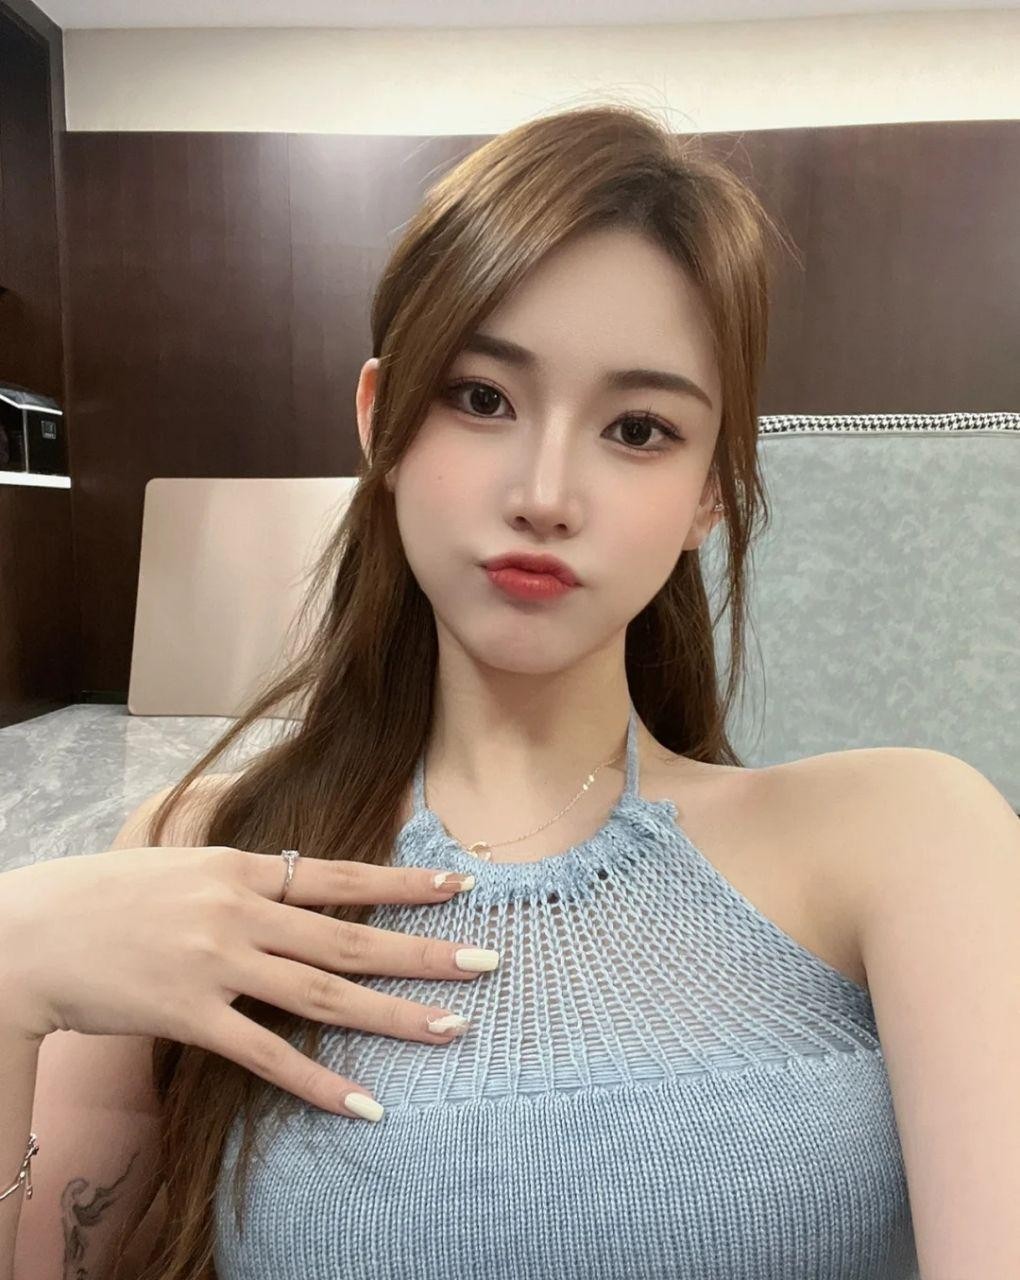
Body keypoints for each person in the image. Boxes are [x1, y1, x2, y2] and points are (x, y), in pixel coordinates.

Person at [0, 100, 926, 1280]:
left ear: (710, 492)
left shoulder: (899, 837)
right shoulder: (195, 851)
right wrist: (10, 967)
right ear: (382, 421)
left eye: (639, 427)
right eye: (483, 397)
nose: (544, 492)